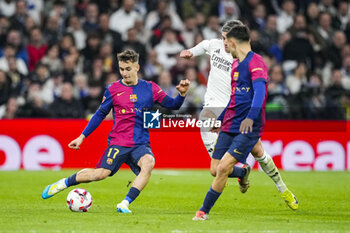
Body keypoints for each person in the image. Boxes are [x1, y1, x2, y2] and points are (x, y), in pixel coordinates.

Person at [41, 49, 190, 214]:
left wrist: (182, 94)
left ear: (137, 67)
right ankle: (63, 183)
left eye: (128, 69)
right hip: (118, 142)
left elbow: (173, 104)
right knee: (101, 174)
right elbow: (99, 114)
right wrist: (82, 136)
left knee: (148, 163)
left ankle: (124, 203)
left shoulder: (150, 88)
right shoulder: (113, 89)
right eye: (121, 69)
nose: (124, 73)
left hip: (140, 143)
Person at [193, 24, 298, 221]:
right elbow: (234, 98)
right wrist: (221, 119)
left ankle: (203, 212)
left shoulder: (256, 62)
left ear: (232, 42)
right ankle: (242, 171)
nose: (223, 45)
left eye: (225, 41)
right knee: (215, 169)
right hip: (230, 123)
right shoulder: (234, 65)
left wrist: (251, 117)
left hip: (248, 126)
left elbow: (260, 93)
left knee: (225, 167)